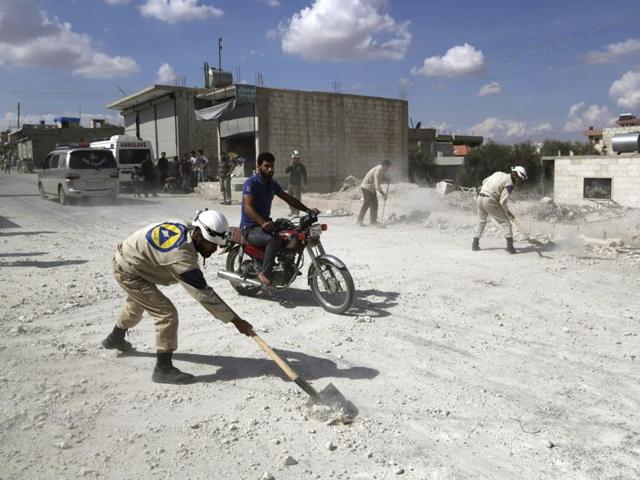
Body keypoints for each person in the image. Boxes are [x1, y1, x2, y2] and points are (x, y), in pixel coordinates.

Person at [101, 209, 254, 384]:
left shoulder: (186, 227)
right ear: (197, 236)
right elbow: (204, 295)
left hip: (135, 261)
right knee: (166, 314)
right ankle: (163, 369)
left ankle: (115, 337)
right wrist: (236, 320)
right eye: (211, 244)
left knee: (135, 306)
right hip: (129, 270)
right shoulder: (181, 257)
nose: (214, 249)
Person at [241, 152, 319, 288]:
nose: (270, 169)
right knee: (273, 240)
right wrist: (262, 222)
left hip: (266, 224)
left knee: (291, 232)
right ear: (259, 166)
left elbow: (288, 198)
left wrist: (308, 210)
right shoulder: (250, 183)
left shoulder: (272, 184)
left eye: (272, 166)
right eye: (266, 166)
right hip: (251, 227)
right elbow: (247, 207)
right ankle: (264, 274)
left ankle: (287, 265)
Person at [473, 166, 528, 254]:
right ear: (515, 175)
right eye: (520, 179)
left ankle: (475, 244)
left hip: (480, 198)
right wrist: (507, 212)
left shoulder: (498, 173)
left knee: (481, 221)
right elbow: (502, 202)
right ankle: (510, 247)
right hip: (489, 200)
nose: (519, 181)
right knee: (506, 223)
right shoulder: (510, 184)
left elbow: (484, 181)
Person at [357, 160, 391, 226]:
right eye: (387, 167)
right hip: (366, 187)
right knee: (367, 203)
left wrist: (386, 179)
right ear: (384, 166)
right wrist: (384, 194)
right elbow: (377, 186)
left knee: (375, 204)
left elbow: (381, 177)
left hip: (371, 188)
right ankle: (359, 220)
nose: (388, 169)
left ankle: (373, 221)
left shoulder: (382, 170)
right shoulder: (378, 171)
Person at [285, 150, 308, 215]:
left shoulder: (301, 166)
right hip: (290, 184)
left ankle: (297, 212)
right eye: (292, 159)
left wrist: (305, 185)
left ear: (298, 159)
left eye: (294, 159)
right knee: (289, 199)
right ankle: (292, 211)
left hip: (297, 185)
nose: (293, 160)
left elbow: (304, 175)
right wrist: (290, 165)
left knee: (297, 199)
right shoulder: (291, 166)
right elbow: (286, 171)